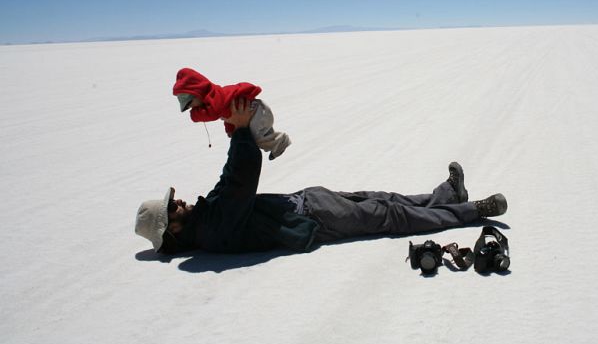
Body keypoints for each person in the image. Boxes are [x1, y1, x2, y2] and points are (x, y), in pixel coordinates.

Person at [135, 99, 508, 255]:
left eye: (173, 199)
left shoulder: (204, 216)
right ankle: (473, 211)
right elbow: (240, 185)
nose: (179, 201)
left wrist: (236, 131)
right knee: (393, 217)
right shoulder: (211, 231)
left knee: (385, 199)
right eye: (172, 208)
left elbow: (226, 181)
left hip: (308, 200)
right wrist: (246, 134)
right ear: (173, 231)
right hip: (314, 219)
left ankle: (448, 194)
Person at [173, 67, 291, 160]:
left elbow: (214, 113)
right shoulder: (216, 98)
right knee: (257, 134)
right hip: (258, 111)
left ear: (197, 92)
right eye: (187, 107)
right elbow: (227, 116)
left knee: (252, 139)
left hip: (258, 113)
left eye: (190, 103)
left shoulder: (215, 97)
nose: (191, 107)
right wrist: (231, 131)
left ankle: (280, 142)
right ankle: (274, 142)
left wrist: (194, 115)